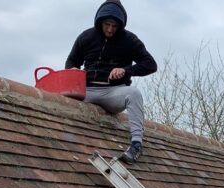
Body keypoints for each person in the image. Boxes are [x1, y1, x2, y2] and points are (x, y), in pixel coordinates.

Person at [65, 0, 157, 164]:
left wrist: (126, 70)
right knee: (59, 97)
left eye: (114, 26)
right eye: (107, 24)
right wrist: (72, 70)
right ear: (100, 21)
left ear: (120, 25)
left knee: (134, 93)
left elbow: (151, 65)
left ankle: (136, 144)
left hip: (113, 93)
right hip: (86, 90)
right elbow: (71, 62)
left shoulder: (130, 40)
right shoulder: (86, 36)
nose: (110, 29)